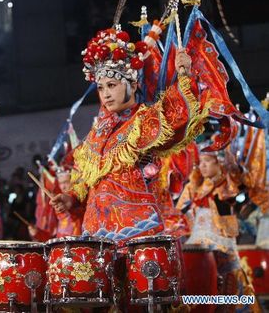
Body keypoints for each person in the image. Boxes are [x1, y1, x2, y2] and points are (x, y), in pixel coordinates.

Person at [51, 24, 209, 243]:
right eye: (101, 87)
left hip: (137, 233)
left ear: (133, 85)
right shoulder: (97, 132)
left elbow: (175, 118)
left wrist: (184, 74)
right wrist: (71, 198)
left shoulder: (143, 120)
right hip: (95, 236)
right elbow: (84, 178)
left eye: (112, 85)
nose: (106, 94)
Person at [176, 142, 261, 312]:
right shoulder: (194, 186)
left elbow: (242, 179)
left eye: (207, 160)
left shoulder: (226, 182)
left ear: (218, 162)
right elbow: (177, 214)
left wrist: (232, 164)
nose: (203, 165)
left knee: (231, 282)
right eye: (200, 162)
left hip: (223, 245)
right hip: (200, 248)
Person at [29, 167, 84, 241]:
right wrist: (37, 233)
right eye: (61, 183)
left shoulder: (82, 201)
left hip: (77, 245)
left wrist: (71, 201)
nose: (63, 187)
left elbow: (73, 200)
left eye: (66, 182)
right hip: (61, 247)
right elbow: (52, 238)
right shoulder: (57, 204)